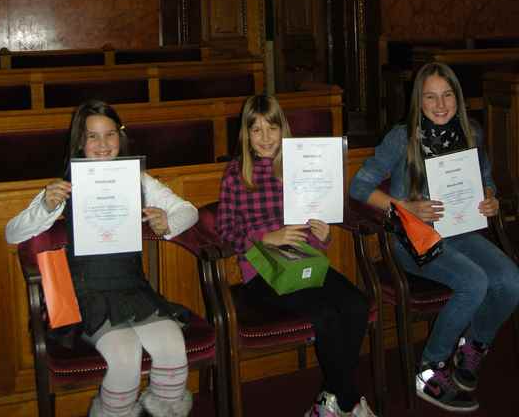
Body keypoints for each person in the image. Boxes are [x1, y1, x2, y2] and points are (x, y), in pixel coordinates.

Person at [5, 99, 198, 417]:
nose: (103, 144)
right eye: (93, 136)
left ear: (120, 137)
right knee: (124, 355)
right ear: (80, 141)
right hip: (86, 292)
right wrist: (45, 207)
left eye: (110, 134)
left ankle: (166, 411)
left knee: (172, 344)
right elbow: (12, 233)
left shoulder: (137, 179)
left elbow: (188, 211)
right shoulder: (66, 185)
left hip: (131, 288)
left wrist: (168, 224)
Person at [350, 62, 519, 413]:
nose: (440, 105)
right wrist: (405, 206)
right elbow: (359, 187)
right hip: (413, 239)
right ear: (418, 100)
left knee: (511, 279)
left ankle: (472, 347)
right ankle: (429, 369)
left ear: (458, 98)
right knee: (474, 281)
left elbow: (486, 180)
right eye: (430, 97)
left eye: (447, 95)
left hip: (460, 232)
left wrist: (489, 197)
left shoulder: (472, 132)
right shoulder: (402, 137)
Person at [216, 94, 378, 417]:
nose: (265, 138)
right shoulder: (236, 174)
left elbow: (313, 226)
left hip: (304, 262)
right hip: (262, 272)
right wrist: (266, 237)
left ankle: (330, 399)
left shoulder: (300, 166)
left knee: (357, 305)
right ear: (246, 134)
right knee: (325, 315)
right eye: (256, 130)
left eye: (272, 128)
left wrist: (324, 235)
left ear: (283, 129)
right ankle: (348, 402)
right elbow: (224, 232)